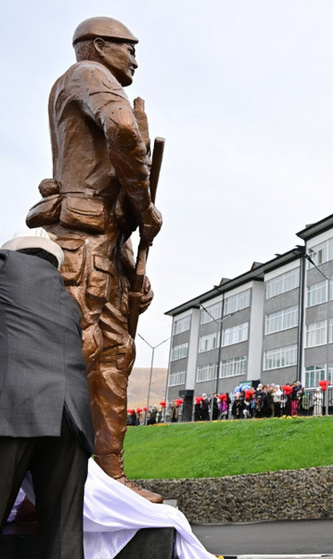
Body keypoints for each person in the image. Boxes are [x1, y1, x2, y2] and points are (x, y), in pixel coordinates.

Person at [25, 17, 163, 502]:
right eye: (129, 49)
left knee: (114, 357)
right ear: (100, 46)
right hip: (81, 246)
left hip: (105, 244)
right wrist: (145, 206)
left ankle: (109, 480)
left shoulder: (87, 79)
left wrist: (130, 265)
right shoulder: (88, 74)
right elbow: (123, 131)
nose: (134, 60)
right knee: (77, 356)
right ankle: (43, 488)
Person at [0, 229, 96, 558]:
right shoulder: (68, 302)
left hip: (16, 409)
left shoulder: (4, 269)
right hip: (72, 420)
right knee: (63, 533)